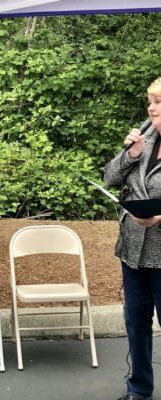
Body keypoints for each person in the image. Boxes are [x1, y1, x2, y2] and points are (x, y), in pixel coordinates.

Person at [104, 77, 161, 400]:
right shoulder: (145, 139)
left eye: (158, 102)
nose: (151, 109)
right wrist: (131, 154)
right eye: (150, 102)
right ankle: (139, 389)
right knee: (136, 323)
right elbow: (110, 177)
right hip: (133, 252)